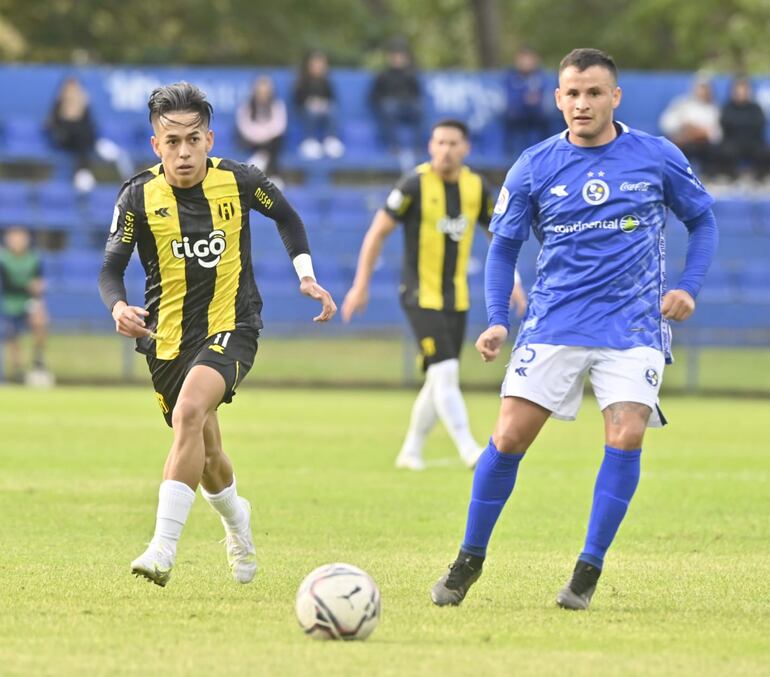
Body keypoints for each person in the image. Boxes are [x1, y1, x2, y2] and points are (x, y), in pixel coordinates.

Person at [430, 49, 718, 611]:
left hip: (634, 325)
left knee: (627, 433)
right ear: (558, 98)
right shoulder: (534, 164)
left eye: (594, 93)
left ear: (615, 97)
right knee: (509, 437)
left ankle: (587, 569)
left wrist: (690, 286)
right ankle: (468, 559)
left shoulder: (657, 156)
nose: (582, 103)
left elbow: (702, 219)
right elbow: (504, 247)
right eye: (572, 94)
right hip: (554, 320)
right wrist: (496, 319)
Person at [98, 82, 337, 587]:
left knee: (188, 412)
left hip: (234, 325)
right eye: (171, 141)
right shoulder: (137, 196)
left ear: (210, 138)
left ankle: (162, 550)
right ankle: (238, 522)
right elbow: (110, 269)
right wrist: (118, 306)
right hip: (165, 341)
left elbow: (288, 217)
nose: (183, 152)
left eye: (192, 139)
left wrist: (306, 274)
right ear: (155, 145)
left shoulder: (241, 180)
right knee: (207, 456)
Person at [341, 119, 526, 471]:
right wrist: (360, 284)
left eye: (453, 143)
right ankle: (469, 449)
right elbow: (377, 232)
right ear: (430, 146)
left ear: (466, 148)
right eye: (439, 142)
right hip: (417, 294)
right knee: (446, 371)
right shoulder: (413, 184)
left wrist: (513, 279)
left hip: (455, 298)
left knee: (439, 378)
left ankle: (410, 450)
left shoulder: (476, 187)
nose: (445, 150)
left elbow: (499, 239)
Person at [46, 76, 132, 192]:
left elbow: (90, 125)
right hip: (66, 141)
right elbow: (52, 126)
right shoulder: (58, 106)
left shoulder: (83, 106)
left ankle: (85, 172)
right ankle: (84, 172)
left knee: (84, 136)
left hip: (84, 142)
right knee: (81, 136)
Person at [0, 226, 49, 381]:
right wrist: (26, 285)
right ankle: (17, 369)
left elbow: (38, 279)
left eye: (21, 238)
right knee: (11, 333)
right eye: (14, 238)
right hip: (8, 301)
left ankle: (38, 358)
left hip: (27, 300)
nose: (18, 242)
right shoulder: (3, 259)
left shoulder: (33, 258)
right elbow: (6, 285)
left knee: (40, 317)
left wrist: (39, 286)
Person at [369, 38, 423, 162]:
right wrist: (382, 103)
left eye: (401, 56)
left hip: (407, 107)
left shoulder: (410, 74)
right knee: (389, 107)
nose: (398, 59)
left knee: (419, 108)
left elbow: (417, 94)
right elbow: (374, 96)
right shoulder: (383, 75)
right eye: (395, 56)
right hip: (390, 108)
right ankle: (395, 147)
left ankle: (417, 147)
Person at [659, 75, 723, 179]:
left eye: (705, 88)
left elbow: (717, 134)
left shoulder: (713, 109)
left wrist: (701, 132)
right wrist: (684, 127)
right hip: (683, 143)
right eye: (700, 87)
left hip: (703, 145)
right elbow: (665, 123)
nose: (702, 91)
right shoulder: (681, 103)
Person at [292, 49, 345, 159]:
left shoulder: (326, 82)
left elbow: (332, 98)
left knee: (332, 109)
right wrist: (310, 102)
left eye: (321, 64)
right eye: (315, 64)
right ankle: (309, 141)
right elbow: (297, 100)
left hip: (323, 109)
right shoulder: (301, 81)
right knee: (311, 111)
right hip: (306, 110)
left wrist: (323, 103)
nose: (318, 67)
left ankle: (331, 140)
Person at [235, 75, 287, 179]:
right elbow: (244, 127)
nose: (263, 94)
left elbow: (279, 126)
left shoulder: (277, 105)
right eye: (260, 91)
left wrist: (265, 135)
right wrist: (260, 136)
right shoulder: (246, 106)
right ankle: (271, 171)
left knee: (277, 141)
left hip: (270, 140)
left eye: (266, 91)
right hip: (251, 140)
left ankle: (263, 160)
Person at [719, 76, 770, 181]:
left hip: (753, 143)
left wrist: (740, 124)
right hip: (732, 142)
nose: (741, 93)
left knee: (764, 151)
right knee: (724, 151)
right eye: (738, 90)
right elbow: (725, 124)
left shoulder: (756, 108)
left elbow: (759, 124)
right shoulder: (727, 107)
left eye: (744, 90)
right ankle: (729, 178)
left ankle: (761, 178)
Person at [503, 46, 551, 154]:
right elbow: (510, 100)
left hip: (537, 118)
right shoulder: (511, 77)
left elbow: (545, 98)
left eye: (528, 59)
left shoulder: (541, 77)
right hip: (516, 119)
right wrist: (524, 100)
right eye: (522, 60)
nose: (525, 63)